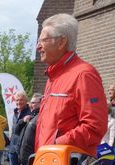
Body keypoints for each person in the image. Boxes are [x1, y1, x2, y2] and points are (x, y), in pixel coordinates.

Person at [34, 13, 107, 156]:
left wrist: (55, 145)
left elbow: (95, 126)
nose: (38, 46)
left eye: (43, 40)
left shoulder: (84, 74)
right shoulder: (53, 77)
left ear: (62, 42)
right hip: (48, 161)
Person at [7, 90, 32, 165]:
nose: (18, 102)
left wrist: (23, 121)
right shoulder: (15, 112)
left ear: (26, 101)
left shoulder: (29, 113)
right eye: (17, 100)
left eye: (21, 100)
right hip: (13, 150)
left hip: (22, 150)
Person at [17, 93, 42, 165]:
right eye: (30, 103)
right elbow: (16, 132)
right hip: (24, 158)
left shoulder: (40, 117)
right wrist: (23, 121)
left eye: (33, 103)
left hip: (31, 158)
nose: (31, 105)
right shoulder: (32, 117)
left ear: (41, 103)